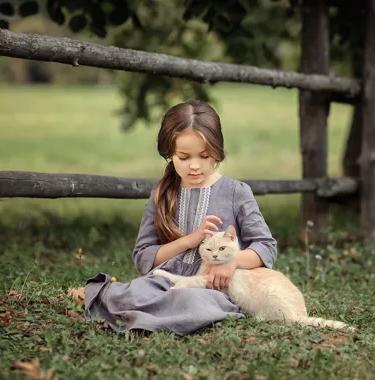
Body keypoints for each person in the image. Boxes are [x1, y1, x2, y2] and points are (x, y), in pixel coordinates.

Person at [67, 100, 277, 336]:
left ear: (217, 151)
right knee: (141, 291)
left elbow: (266, 246)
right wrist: (189, 241)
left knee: (197, 304)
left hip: (211, 290)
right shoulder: (162, 194)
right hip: (165, 282)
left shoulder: (237, 192)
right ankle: (125, 301)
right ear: (169, 154)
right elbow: (143, 257)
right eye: (184, 157)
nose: (195, 166)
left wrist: (233, 261)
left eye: (205, 156)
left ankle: (118, 305)